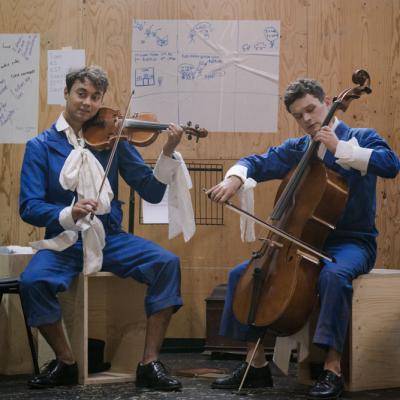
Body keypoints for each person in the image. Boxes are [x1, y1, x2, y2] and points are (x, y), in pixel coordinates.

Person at [206, 78, 400, 399]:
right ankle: (255, 366)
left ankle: (332, 368)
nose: (307, 119)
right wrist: (234, 179)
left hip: (353, 243)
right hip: (303, 243)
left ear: (326, 102)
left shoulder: (360, 138)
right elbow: (256, 162)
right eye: (299, 115)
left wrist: (342, 149)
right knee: (243, 274)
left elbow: (391, 165)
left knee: (334, 276)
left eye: (311, 109)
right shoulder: (299, 149)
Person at [19, 65, 189, 391]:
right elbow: (29, 207)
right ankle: (66, 362)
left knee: (166, 264)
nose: (87, 102)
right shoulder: (40, 146)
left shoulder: (113, 140)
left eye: (95, 97)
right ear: (67, 93)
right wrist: (69, 212)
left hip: (110, 237)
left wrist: (167, 152)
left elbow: (151, 191)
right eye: (81, 93)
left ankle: (149, 363)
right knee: (33, 281)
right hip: (65, 240)